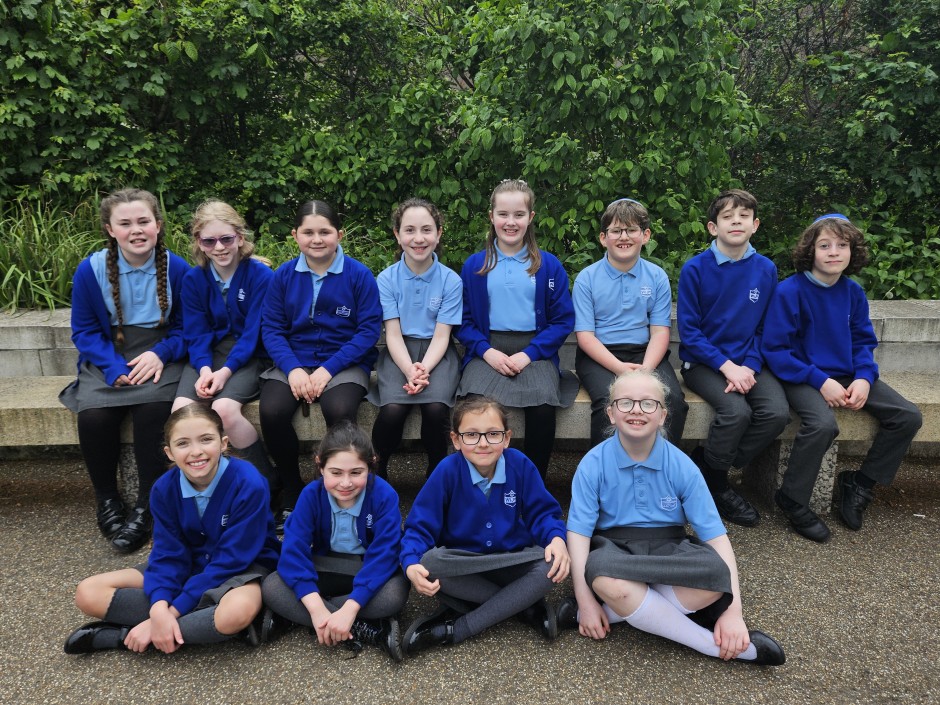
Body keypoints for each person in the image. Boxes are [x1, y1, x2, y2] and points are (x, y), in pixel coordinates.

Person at [560, 370, 785, 666]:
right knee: (602, 574)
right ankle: (709, 645)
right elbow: (578, 534)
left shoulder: (682, 465)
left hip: (671, 548)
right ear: (611, 414)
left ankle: (626, 609)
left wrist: (733, 612)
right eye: (625, 403)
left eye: (648, 403)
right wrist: (586, 600)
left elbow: (715, 537)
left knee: (716, 578)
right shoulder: (593, 464)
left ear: (663, 415)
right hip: (615, 550)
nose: (637, 410)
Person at [64, 405, 281, 654]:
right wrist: (159, 607)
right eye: (183, 443)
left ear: (223, 443)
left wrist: (172, 610)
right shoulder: (163, 489)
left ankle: (124, 636)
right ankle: (191, 626)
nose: (196, 452)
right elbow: (168, 555)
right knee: (87, 593)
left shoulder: (249, 482)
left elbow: (230, 561)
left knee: (235, 612)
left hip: (242, 568)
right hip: (187, 565)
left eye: (206, 440)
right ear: (169, 452)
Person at [761, 214, 922, 542]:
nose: (834, 252)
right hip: (801, 376)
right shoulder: (789, 291)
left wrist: (864, 377)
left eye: (842, 245)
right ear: (811, 250)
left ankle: (859, 484)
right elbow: (776, 350)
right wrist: (820, 380)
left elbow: (863, 341)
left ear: (852, 251)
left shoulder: (853, 292)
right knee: (822, 424)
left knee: (907, 416)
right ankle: (792, 499)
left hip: (849, 374)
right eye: (825, 245)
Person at [60, 188, 190, 554]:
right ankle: (107, 500)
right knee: (95, 418)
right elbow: (84, 330)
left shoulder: (176, 268)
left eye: (143, 221)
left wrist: (160, 354)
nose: (136, 230)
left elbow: (187, 329)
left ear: (158, 225)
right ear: (110, 229)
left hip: (158, 356)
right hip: (108, 356)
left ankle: (147, 505)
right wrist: (112, 366)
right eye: (125, 223)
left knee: (154, 415)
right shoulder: (91, 269)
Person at [400, 397, 570, 656]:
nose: (482, 443)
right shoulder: (447, 471)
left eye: (493, 434)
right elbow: (419, 528)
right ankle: (524, 605)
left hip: (511, 562)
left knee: (550, 563)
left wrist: (556, 539)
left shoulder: (520, 465)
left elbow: (543, 514)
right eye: (471, 435)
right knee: (429, 563)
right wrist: (410, 563)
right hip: (465, 565)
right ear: (456, 440)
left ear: (507, 438)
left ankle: (459, 628)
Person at [260, 200, 382, 532]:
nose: (317, 239)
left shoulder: (358, 275)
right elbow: (271, 328)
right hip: (293, 364)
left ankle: (330, 491)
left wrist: (327, 370)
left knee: (340, 409)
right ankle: (292, 490)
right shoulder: (283, 276)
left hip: (344, 362)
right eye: (308, 232)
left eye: (325, 232)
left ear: (339, 234)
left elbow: (368, 330)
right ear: (295, 236)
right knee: (271, 411)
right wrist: (294, 369)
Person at [677, 189, 790, 527]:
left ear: (755, 225)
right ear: (713, 227)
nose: (736, 221)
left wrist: (749, 367)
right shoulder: (695, 269)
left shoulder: (766, 269)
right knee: (735, 411)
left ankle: (710, 466)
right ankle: (717, 484)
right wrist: (727, 367)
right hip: (703, 364)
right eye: (728, 216)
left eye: (744, 215)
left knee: (776, 412)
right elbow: (691, 333)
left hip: (749, 364)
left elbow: (764, 329)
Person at [455, 179, 576, 477]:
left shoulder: (548, 266)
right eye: (503, 214)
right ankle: (475, 482)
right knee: (473, 409)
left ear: (531, 217)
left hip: (535, 352)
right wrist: (486, 352)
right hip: (487, 350)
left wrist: (529, 354)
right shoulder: (474, 266)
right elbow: (463, 322)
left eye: (519, 214)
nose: (511, 222)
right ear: (491, 216)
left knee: (543, 409)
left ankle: (532, 486)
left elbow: (563, 320)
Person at [261, 421, 408, 661]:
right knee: (272, 586)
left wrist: (351, 607)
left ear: (370, 467)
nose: (346, 483)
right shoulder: (311, 494)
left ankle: (301, 619)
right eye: (336, 473)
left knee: (396, 593)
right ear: (321, 466)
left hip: (366, 569)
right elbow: (293, 551)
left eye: (356, 472)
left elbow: (385, 556)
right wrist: (316, 608)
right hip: (325, 568)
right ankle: (366, 628)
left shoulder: (384, 495)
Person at [173, 200, 277, 492]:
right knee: (181, 410)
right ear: (199, 242)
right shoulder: (194, 279)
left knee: (224, 409)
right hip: (207, 356)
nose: (219, 247)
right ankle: (204, 485)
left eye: (226, 239)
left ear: (240, 238)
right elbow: (196, 333)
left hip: (249, 356)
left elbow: (253, 334)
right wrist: (205, 369)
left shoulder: (261, 277)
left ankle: (265, 480)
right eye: (209, 240)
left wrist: (224, 373)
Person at [573, 197, 688, 448]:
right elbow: (585, 336)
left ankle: (660, 469)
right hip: (599, 356)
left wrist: (646, 370)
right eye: (616, 230)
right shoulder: (587, 279)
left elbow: (659, 332)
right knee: (610, 401)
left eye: (631, 230)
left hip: (645, 355)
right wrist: (619, 369)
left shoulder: (656, 277)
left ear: (645, 235)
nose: (624, 237)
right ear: (604, 238)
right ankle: (605, 477)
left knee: (673, 402)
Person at [367, 198, 462, 479]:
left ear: (439, 233)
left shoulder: (450, 280)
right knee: (393, 410)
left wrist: (424, 369)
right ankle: (377, 469)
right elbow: (392, 333)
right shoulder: (386, 279)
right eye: (409, 230)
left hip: (438, 354)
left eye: (426, 230)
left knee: (435, 409)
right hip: (399, 353)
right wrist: (410, 369)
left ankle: (436, 471)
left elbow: (443, 334)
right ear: (397, 234)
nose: (418, 239)